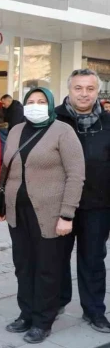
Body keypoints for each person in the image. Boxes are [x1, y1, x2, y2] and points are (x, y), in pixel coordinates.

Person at [0, 88, 84, 344]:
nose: (35, 106)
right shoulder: (15, 131)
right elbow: (6, 168)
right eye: (30, 102)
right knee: (23, 265)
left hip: (49, 213)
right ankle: (26, 314)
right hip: (17, 211)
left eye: (41, 102)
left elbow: (76, 175)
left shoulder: (63, 132)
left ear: (50, 105)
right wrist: (1, 205)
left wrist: (67, 214)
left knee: (47, 268)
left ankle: (43, 320)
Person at [56, 69, 110, 334]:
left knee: (93, 260)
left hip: (98, 206)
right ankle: (56, 303)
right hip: (59, 204)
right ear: (69, 89)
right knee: (56, 259)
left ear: (96, 91)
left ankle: (94, 311)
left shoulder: (109, 123)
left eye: (90, 88)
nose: (84, 94)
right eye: (78, 88)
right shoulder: (54, 119)